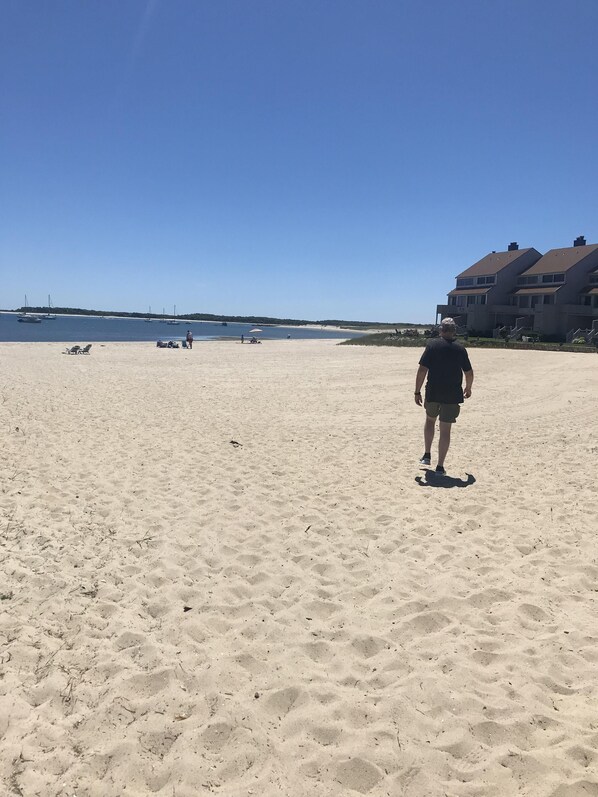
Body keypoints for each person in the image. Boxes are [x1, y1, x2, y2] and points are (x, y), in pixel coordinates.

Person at [414, 317, 474, 475]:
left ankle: (427, 455)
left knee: (430, 421)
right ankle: (440, 466)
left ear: (441, 330)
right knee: (446, 429)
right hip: (452, 394)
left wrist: (417, 391)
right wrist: (468, 388)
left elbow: (422, 370)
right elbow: (468, 372)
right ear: (454, 331)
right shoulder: (460, 349)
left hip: (433, 391)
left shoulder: (432, 346)